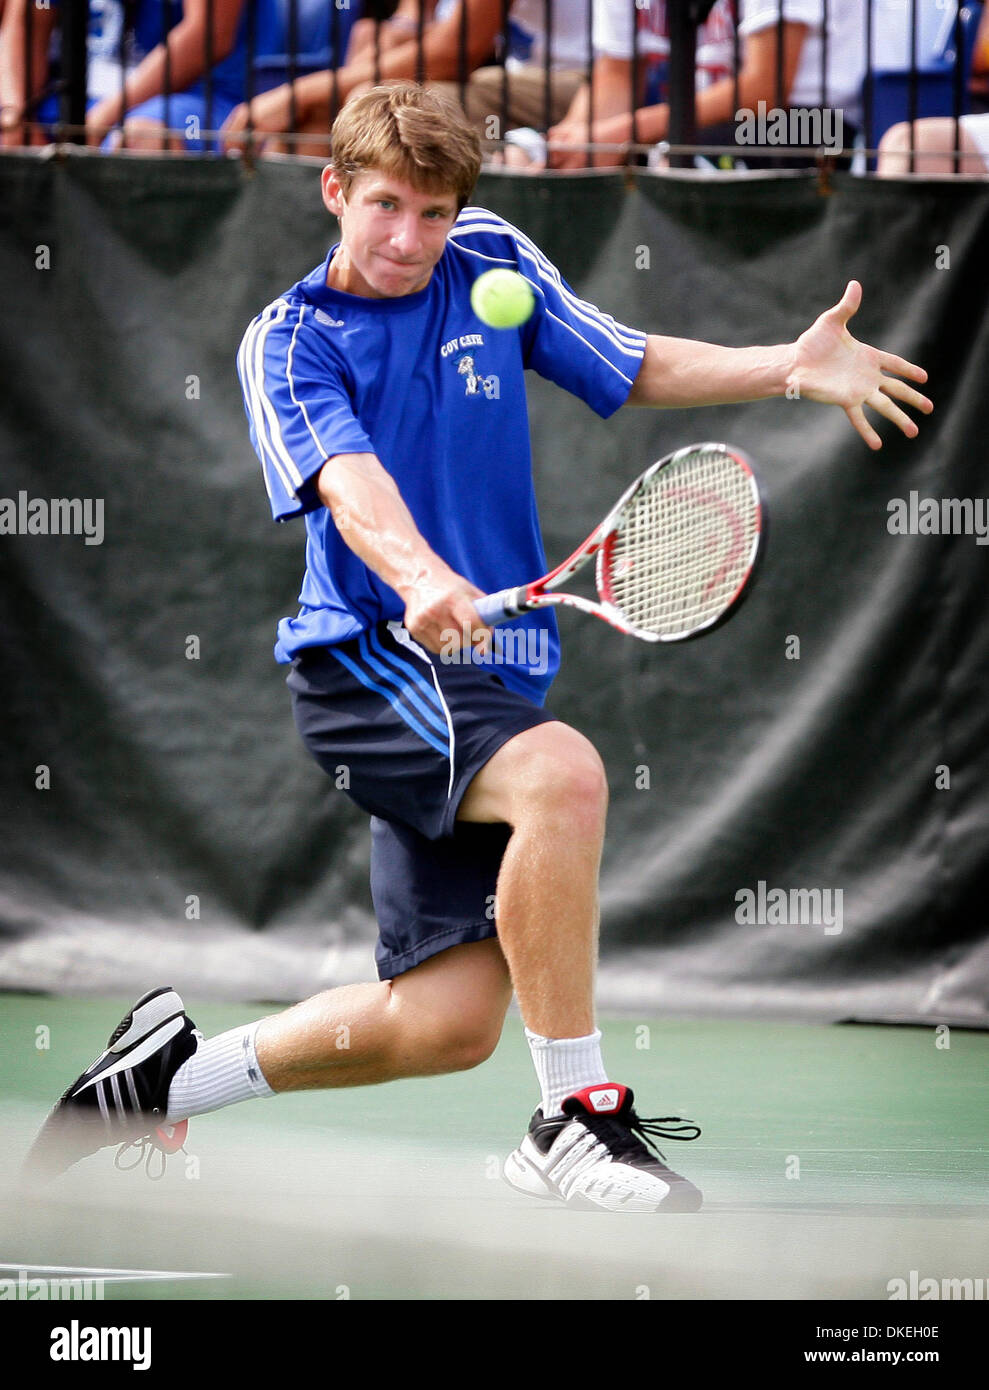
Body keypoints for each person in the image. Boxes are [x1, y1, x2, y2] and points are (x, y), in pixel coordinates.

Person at [26, 81, 933, 1212]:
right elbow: (348, 486)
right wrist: (419, 577)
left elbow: (624, 358)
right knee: (564, 774)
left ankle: (165, 1077)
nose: (410, 239)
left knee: (444, 1024)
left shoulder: (489, 257)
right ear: (333, 192)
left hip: (492, 666)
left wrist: (783, 367)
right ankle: (573, 1119)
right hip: (368, 663)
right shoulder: (289, 341)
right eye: (387, 207)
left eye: (434, 214)